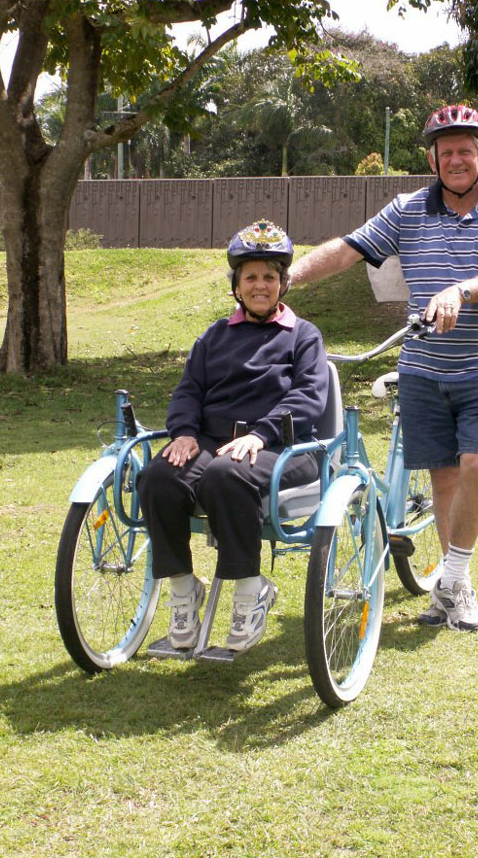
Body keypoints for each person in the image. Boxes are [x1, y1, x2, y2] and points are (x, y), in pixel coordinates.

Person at [290, 105, 478, 632]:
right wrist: (286, 278)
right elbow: (347, 251)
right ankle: (455, 588)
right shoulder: (407, 209)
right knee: (444, 476)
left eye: (465, 151)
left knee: (477, 466)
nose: (456, 160)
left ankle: (456, 576)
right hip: (423, 367)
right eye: (445, 152)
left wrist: (460, 290)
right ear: (432, 159)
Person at [138, 221, 329, 652]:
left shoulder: (303, 336)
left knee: (226, 474)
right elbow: (189, 390)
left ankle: (250, 590)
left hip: (284, 445)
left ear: (283, 283)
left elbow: (309, 397)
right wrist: (184, 433)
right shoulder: (214, 336)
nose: (260, 285)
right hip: (212, 441)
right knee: (159, 477)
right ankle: (185, 590)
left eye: (269, 277)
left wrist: (261, 434)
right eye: (250, 277)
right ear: (236, 286)